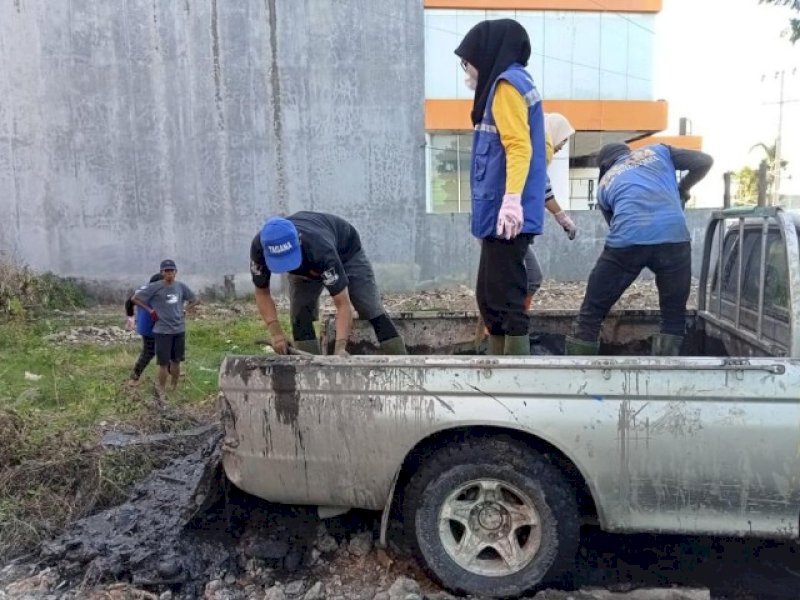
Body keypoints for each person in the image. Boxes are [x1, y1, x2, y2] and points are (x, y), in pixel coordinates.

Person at [567, 142, 713, 356]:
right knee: (673, 316)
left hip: (628, 242)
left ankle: (577, 377)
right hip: (674, 238)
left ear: (605, 166)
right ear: (627, 152)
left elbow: (615, 225)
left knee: (591, 314)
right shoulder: (658, 152)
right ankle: (665, 377)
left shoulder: (605, 183)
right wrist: (682, 189)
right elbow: (704, 161)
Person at [455, 19, 547, 355]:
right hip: (496, 211)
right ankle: (499, 368)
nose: (467, 71)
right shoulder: (504, 86)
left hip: (505, 213)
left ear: (486, 53)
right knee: (490, 299)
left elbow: (518, 146)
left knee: (506, 300)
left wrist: (511, 201)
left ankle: (514, 382)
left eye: (468, 62)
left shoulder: (507, 86)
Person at [250, 211, 406, 356]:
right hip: (309, 261)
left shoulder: (321, 251)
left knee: (369, 306)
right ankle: (310, 372)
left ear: (298, 241)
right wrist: (276, 333)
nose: (287, 268)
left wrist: (340, 348)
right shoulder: (259, 247)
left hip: (346, 252)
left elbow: (343, 305)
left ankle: (403, 364)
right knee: (300, 313)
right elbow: (262, 292)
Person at [523, 113, 578, 310]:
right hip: (508, 231)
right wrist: (562, 218)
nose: (562, 146)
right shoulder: (532, 153)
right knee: (529, 279)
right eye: (562, 140)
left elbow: (545, 191)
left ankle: (515, 329)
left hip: (517, 231)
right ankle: (507, 332)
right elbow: (543, 191)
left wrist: (562, 218)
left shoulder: (536, 155)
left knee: (526, 280)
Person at [132, 260, 199, 401]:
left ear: (175, 272)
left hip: (179, 329)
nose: (169, 273)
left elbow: (194, 299)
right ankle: (161, 391)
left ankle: (174, 388)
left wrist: (186, 310)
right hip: (162, 331)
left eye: (171, 270)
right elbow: (135, 298)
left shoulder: (180, 287)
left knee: (176, 361)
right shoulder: (155, 287)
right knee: (163, 363)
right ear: (162, 272)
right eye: (166, 271)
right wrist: (150, 311)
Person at [124, 272, 163, 386]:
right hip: (149, 327)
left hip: (154, 326)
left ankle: (170, 371)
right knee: (149, 352)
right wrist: (131, 318)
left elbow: (129, 302)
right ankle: (134, 378)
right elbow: (129, 302)